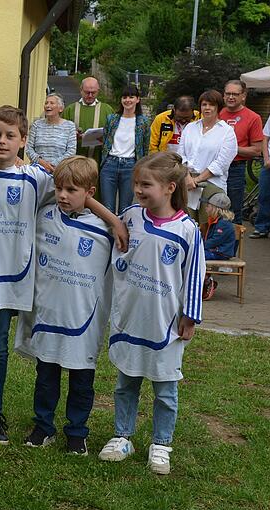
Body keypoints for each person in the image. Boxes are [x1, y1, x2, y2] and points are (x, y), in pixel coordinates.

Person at [0, 106, 127, 446]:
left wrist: (113, 220)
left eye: (10, 136)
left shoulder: (35, 178)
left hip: (9, 283)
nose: (2, 141)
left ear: (23, 141)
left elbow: (76, 190)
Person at [98, 152, 205, 475]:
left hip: (166, 322)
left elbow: (195, 274)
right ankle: (123, 436)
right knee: (125, 383)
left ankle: (161, 444)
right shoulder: (130, 217)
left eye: (146, 184)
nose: (138, 190)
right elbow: (109, 222)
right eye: (135, 184)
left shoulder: (187, 229)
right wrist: (112, 219)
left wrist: (191, 315)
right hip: (131, 317)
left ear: (171, 187)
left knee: (165, 389)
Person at [14, 155, 113, 456]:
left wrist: (114, 221)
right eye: (58, 188)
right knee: (46, 376)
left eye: (71, 190)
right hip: (48, 314)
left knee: (82, 380)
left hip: (84, 319)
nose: (62, 196)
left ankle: (77, 432)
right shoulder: (44, 216)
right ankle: (43, 426)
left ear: (90, 193)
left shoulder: (106, 230)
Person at [178, 90, 238, 224]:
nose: (207, 108)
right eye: (204, 104)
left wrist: (197, 180)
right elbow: (180, 155)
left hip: (212, 186)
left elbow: (221, 163)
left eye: (211, 105)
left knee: (208, 228)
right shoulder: (190, 128)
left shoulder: (227, 132)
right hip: (187, 183)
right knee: (187, 226)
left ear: (218, 107)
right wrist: (188, 178)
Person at [99, 85, 150, 213]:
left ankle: (123, 233)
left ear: (137, 99)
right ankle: (108, 233)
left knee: (125, 208)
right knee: (107, 207)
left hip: (130, 166)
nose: (127, 100)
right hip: (110, 164)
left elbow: (145, 147)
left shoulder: (143, 122)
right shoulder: (112, 119)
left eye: (131, 97)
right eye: (124, 97)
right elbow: (105, 141)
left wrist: (141, 168)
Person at [219, 80, 264, 225]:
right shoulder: (216, 112)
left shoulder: (253, 117)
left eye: (235, 94)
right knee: (211, 209)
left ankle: (232, 247)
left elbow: (257, 150)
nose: (231, 97)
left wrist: (231, 148)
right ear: (223, 95)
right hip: (212, 168)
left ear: (243, 96)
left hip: (235, 170)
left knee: (232, 213)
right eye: (228, 94)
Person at [62, 76, 115, 162]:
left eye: (93, 92)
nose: (90, 96)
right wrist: (72, 135)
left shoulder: (107, 110)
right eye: (87, 92)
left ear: (98, 91)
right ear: (81, 90)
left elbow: (114, 133)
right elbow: (61, 132)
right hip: (74, 160)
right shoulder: (70, 109)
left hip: (99, 158)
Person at [25, 93, 76, 172]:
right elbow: (29, 149)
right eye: (46, 103)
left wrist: (53, 164)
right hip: (37, 169)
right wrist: (41, 163)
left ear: (61, 108)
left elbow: (71, 151)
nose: (48, 106)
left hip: (60, 171)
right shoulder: (36, 125)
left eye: (52, 103)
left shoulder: (69, 126)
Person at [201, 192, 236, 300]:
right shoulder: (215, 220)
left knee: (197, 255)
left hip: (221, 252)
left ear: (216, 208)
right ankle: (204, 279)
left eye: (208, 206)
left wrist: (198, 245)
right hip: (215, 251)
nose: (206, 208)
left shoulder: (224, 224)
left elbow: (214, 241)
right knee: (196, 254)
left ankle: (207, 280)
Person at [250, 113, 270, 238]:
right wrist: (266, 158)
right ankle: (262, 227)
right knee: (264, 196)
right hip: (268, 165)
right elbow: (265, 137)